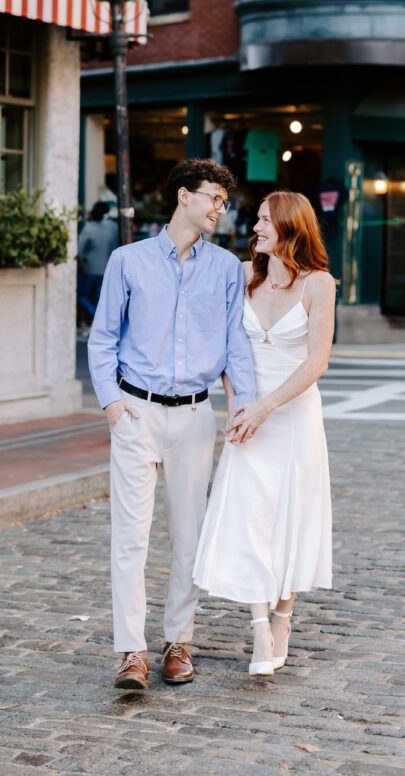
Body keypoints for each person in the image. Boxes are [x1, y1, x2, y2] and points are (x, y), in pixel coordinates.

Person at [88, 159, 256, 691]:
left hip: (193, 416)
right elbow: (102, 339)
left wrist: (244, 407)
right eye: (213, 198)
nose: (219, 209)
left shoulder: (227, 267)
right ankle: (130, 652)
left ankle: (177, 641)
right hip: (136, 413)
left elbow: (236, 346)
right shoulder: (127, 261)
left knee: (189, 537)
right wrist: (112, 405)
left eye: (226, 204)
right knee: (130, 539)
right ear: (184, 196)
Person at [193, 191, 336, 676]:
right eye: (255, 220)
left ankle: (282, 617)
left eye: (263, 221)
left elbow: (317, 361)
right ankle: (257, 628)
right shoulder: (245, 279)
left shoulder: (319, 284)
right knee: (249, 518)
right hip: (249, 419)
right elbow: (231, 352)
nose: (254, 228)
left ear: (289, 227)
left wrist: (267, 408)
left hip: (293, 418)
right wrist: (238, 407)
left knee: (290, 518)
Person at [76, 202, 118, 328]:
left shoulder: (88, 229)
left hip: (89, 270)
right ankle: (97, 321)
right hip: (104, 269)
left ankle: (94, 314)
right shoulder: (108, 231)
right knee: (98, 298)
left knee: (81, 295)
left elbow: (79, 250)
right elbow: (112, 250)